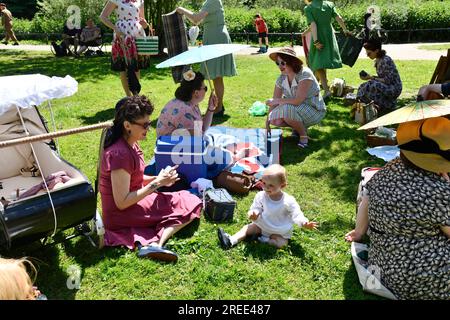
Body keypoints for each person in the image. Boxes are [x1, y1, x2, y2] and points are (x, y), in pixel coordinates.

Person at [345, 117, 450, 300]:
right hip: (426, 280)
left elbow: (366, 198)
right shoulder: (439, 192)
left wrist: (359, 231)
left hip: (382, 269)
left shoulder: (387, 171)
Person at [100, 95, 203, 262]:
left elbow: (135, 179)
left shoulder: (130, 142)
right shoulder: (120, 153)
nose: (148, 128)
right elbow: (122, 201)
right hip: (122, 213)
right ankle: (157, 243)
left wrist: (159, 177)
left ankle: (155, 242)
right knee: (191, 203)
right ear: (127, 125)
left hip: (134, 202)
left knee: (187, 198)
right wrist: (158, 183)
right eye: (145, 125)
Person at [218, 164, 318, 249]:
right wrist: (254, 213)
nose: (265, 187)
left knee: (282, 244)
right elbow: (256, 207)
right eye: (264, 183)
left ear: (282, 186)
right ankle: (231, 240)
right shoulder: (261, 195)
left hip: (279, 231)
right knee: (247, 228)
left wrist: (304, 222)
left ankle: (263, 240)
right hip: (262, 225)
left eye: (271, 185)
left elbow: (297, 214)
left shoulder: (288, 200)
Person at [176, 0, 237, 117]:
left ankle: (218, 108)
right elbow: (197, 21)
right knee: (215, 76)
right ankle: (218, 106)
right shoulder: (209, 2)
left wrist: (181, 10)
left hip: (216, 39)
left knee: (217, 76)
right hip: (213, 37)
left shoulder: (213, 1)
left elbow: (196, 18)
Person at [266, 47, 326, 149]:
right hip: (296, 109)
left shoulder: (305, 74)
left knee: (286, 108)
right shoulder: (281, 78)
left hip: (315, 110)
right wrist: (267, 123)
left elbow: (298, 101)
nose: (280, 66)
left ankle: (303, 136)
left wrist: (278, 101)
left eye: (283, 63)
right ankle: (297, 128)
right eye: (277, 63)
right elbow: (274, 103)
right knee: (274, 120)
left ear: (292, 62)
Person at [100, 0, 151, 96]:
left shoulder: (140, 0)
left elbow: (143, 20)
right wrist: (115, 29)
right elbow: (103, 16)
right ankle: (128, 96)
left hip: (138, 34)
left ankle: (135, 95)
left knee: (136, 66)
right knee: (124, 66)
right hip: (122, 34)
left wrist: (145, 24)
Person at [304, 0, 349, 100]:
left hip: (318, 36)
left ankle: (326, 90)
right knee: (321, 62)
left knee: (318, 63)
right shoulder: (330, 5)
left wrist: (315, 41)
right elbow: (339, 18)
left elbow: (313, 25)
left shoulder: (309, 8)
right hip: (329, 36)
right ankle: (319, 85)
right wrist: (345, 29)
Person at [156, 70, 218, 137]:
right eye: (205, 88)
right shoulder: (185, 111)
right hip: (170, 146)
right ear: (196, 93)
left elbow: (202, 129)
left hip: (179, 145)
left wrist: (211, 108)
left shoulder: (191, 103)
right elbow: (197, 138)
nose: (206, 91)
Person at [356, 38, 402, 113]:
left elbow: (387, 81)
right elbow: (382, 78)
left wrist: (371, 77)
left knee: (371, 84)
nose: (367, 56)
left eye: (369, 53)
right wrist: (369, 77)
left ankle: (375, 105)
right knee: (365, 85)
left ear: (376, 51)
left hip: (394, 88)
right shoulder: (379, 59)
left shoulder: (385, 61)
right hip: (387, 85)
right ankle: (361, 103)